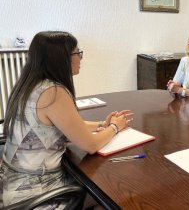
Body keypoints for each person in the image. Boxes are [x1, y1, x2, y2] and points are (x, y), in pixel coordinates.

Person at [0, 31, 133, 208]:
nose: (80, 58)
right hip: (34, 191)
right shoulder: (53, 92)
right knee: (117, 198)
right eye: (77, 53)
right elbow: (91, 146)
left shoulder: (30, 84)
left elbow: (61, 126)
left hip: (11, 182)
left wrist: (102, 125)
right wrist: (115, 128)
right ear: (61, 58)